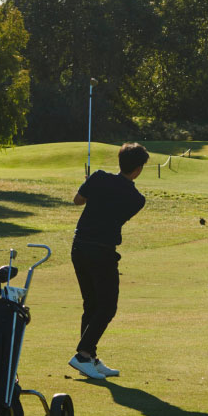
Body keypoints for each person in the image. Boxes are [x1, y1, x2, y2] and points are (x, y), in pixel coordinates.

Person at [68, 142, 150, 379]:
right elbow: (115, 211)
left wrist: (91, 185)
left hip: (79, 248)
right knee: (107, 306)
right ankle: (83, 354)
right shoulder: (137, 199)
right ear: (138, 169)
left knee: (92, 304)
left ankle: (89, 358)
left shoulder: (98, 177)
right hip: (102, 252)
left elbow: (77, 200)